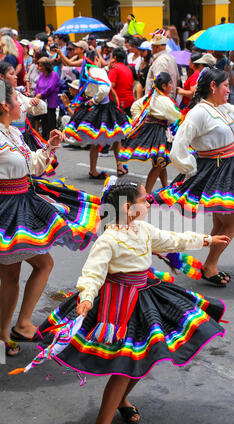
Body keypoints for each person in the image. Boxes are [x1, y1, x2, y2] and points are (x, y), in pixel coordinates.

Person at [25, 175, 230, 424]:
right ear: (127, 208)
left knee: (141, 360)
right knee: (126, 366)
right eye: (144, 199)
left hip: (146, 297)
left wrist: (206, 239)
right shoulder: (108, 239)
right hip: (118, 306)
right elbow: (92, 273)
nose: (148, 202)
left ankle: (120, 401)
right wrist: (86, 297)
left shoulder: (142, 229)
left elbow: (171, 240)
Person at [150, 68, 234, 286]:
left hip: (232, 168)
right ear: (213, 87)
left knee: (222, 223)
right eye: (226, 86)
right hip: (216, 172)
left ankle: (210, 263)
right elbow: (179, 146)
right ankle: (210, 265)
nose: (229, 90)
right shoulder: (198, 113)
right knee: (233, 224)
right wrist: (190, 168)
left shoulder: (223, 108)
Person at [0, 79, 101, 356]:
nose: (22, 102)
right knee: (11, 273)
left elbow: (31, 165)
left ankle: (18, 325)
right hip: (5, 211)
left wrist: (50, 147)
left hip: (22, 203)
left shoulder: (13, 133)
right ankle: (7, 332)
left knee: (38, 265)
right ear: (4, 105)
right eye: (17, 99)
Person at [64, 62, 131, 178]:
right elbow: (105, 88)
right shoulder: (97, 71)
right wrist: (95, 100)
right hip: (103, 107)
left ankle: (93, 170)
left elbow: (100, 74)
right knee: (116, 138)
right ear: (95, 59)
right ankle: (119, 167)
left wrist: (106, 68)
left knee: (97, 140)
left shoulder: (92, 70)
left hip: (98, 107)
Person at [119, 73, 182, 192]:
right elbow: (177, 117)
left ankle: (165, 188)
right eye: (170, 83)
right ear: (164, 86)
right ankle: (147, 193)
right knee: (158, 164)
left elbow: (135, 106)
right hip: (157, 132)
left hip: (151, 130)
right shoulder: (165, 101)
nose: (172, 86)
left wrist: (141, 118)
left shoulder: (152, 96)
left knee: (160, 162)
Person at [145, 29, 179, 100]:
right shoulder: (171, 58)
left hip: (159, 103)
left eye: (152, 45)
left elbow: (160, 86)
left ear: (157, 47)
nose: (151, 47)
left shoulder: (160, 61)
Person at [35, 57, 60, 140]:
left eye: (41, 66)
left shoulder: (54, 75)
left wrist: (41, 95)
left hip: (50, 101)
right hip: (42, 101)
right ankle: (44, 138)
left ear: (46, 66)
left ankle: (53, 138)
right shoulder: (42, 74)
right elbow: (38, 86)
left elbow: (50, 88)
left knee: (51, 120)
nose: (39, 68)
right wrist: (37, 94)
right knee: (43, 120)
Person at [108, 47, 135, 115]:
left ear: (114, 57)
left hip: (118, 104)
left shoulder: (114, 68)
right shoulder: (128, 69)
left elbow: (111, 85)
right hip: (129, 103)